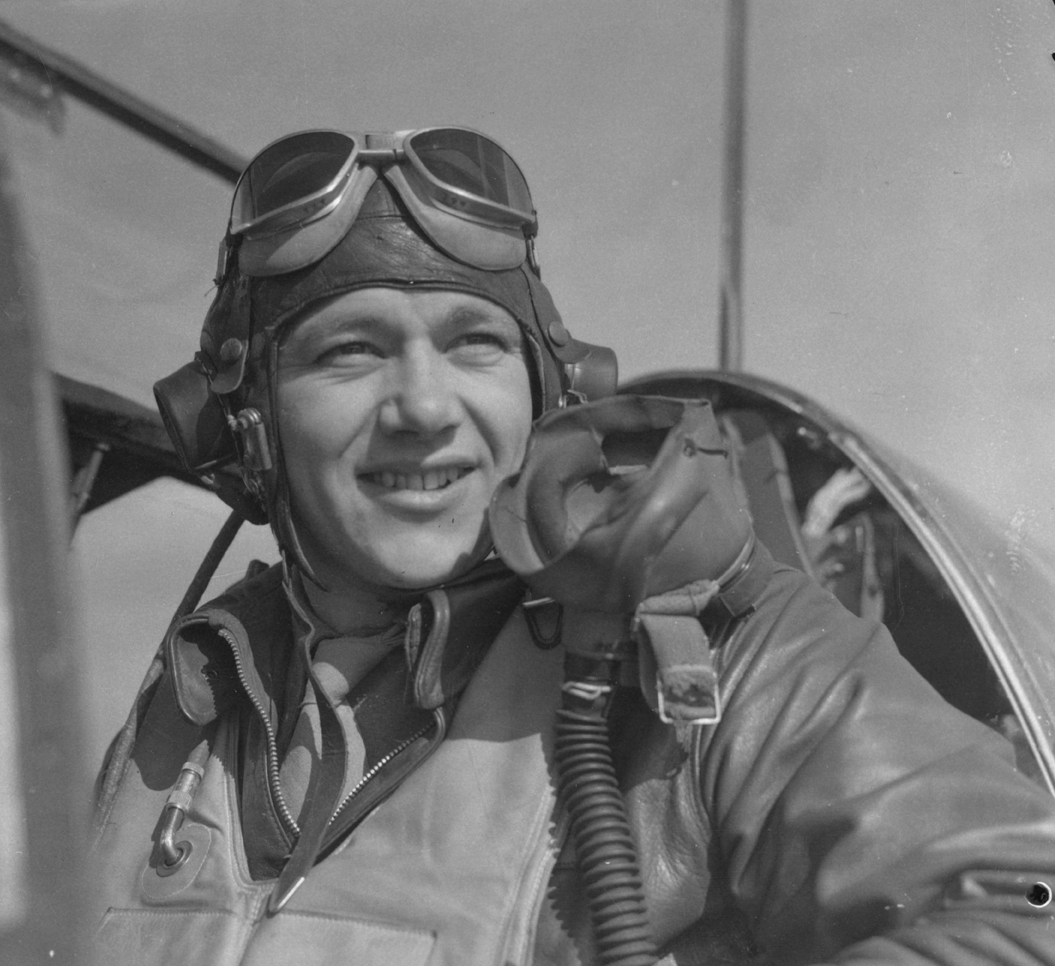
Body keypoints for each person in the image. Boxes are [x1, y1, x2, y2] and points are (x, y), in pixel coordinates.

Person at [87, 128, 1055, 966]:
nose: (425, 407)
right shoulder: (189, 702)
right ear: (245, 424)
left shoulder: (726, 657)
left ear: (551, 402)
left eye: (475, 344)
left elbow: (1025, 917)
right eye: (352, 351)